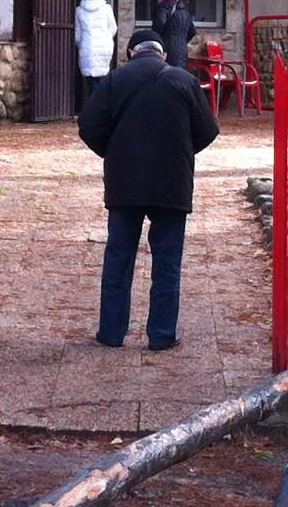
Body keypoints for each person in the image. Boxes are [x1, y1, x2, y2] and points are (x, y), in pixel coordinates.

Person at [77, 28, 220, 351]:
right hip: (172, 184)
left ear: (130, 52)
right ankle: (162, 334)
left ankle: (111, 333)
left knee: (119, 257)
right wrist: (179, 151)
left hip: (124, 182)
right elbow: (209, 130)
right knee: (167, 261)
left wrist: (112, 152)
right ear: (163, 54)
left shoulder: (115, 81)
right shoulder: (183, 81)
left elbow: (88, 125)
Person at [74, 0, 117, 110]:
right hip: (105, 46)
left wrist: (81, 45)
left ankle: (96, 108)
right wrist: (107, 39)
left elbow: (78, 34)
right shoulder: (107, 8)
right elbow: (113, 28)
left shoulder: (79, 10)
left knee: (91, 80)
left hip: (88, 46)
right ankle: (102, 108)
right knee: (103, 78)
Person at [149, 0, 196, 69]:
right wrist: (181, 41)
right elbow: (192, 31)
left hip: (166, 52)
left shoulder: (162, 8)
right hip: (182, 52)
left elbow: (158, 27)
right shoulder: (184, 10)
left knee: (164, 76)